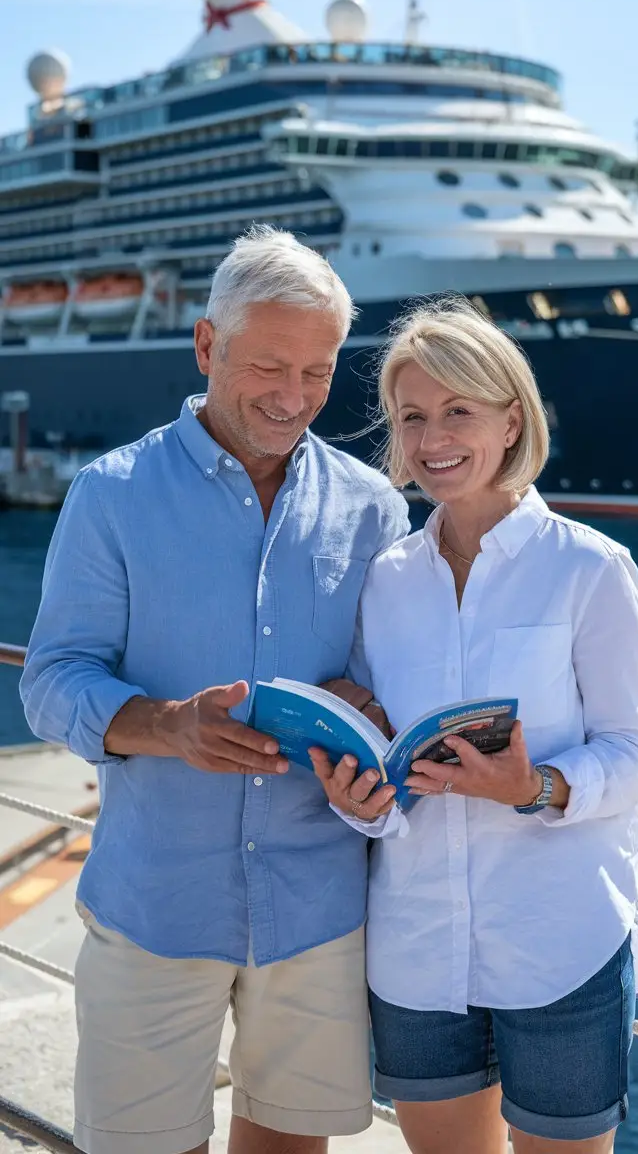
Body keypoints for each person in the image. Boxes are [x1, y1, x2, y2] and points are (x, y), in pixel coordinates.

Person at [21, 226, 409, 1154]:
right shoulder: (110, 494)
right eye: (269, 367)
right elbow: (51, 681)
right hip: (157, 908)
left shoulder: (374, 507)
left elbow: (391, 694)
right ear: (206, 347)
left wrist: (371, 720)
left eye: (316, 374)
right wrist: (166, 725)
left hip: (318, 911)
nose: (293, 398)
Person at [310, 297, 638, 1154]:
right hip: (417, 947)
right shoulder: (385, 578)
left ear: (512, 420)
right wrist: (361, 797)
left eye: (458, 412)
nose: (434, 438)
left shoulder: (591, 568)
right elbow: (389, 763)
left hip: (561, 944)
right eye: (413, 417)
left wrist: (535, 786)